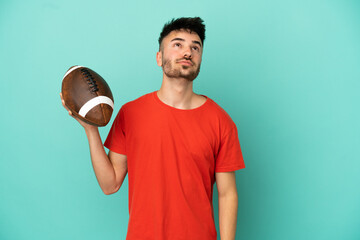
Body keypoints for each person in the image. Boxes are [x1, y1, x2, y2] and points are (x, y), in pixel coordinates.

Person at [60, 17, 245, 240]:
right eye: (177, 44)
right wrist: (91, 130)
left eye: (195, 47)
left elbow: (227, 195)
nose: (187, 51)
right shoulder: (131, 114)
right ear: (159, 57)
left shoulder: (221, 121)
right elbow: (110, 184)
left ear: (200, 58)